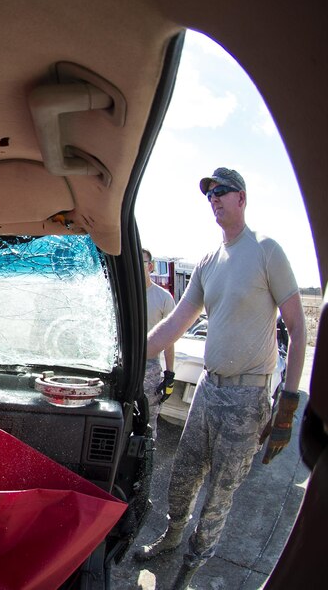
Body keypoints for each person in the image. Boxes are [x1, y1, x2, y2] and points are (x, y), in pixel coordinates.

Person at [134, 167, 307, 589]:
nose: (214, 200)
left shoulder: (267, 251)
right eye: (209, 195)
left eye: (222, 192)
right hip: (209, 392)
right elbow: (174, 323)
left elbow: (299, 328)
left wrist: (286, 408)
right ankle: (174, 537)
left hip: (248, 400)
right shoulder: (209, 262)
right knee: (182, 476)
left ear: (241, 198)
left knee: (218, 495)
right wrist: (132, 354)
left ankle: (192, 564)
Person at [142, 248, 175, 439]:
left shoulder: (163, 298)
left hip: (150, 368)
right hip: (125, 365)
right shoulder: (125, 296)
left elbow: (169, 339)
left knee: (149, 421)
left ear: (151, 266)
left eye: (143, 262)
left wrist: (169, 374)